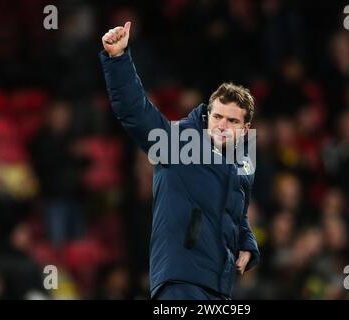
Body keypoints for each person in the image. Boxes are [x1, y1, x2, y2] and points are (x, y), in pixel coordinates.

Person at [99, 21, 259, 300]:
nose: (222, 125)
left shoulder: (242, 162)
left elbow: (235, 213)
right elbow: (136, 112)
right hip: (181, 280)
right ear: (208, 116)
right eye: (218, 117)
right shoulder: (178, 143)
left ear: (245, 129)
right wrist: (118, 58)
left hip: (218, 285)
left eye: (232, 120)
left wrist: (247, 244)